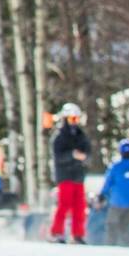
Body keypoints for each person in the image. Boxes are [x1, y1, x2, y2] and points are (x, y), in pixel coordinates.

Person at [49, 103, 92, 244]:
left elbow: (88, 152)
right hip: (65, 175)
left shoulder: (81, 136)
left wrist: (85, 157)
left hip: (78, 175)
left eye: (77, 119)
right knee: (64, 205)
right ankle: (57, 233)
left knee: (80, 207)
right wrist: (72, 155)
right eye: (72, 119)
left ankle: (77, 234)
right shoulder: (59, 137)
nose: (74, 122)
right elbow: (58, 157)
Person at [98, 139, 129, 247]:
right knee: (125, 225)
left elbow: (108, 181)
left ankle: (110, 245)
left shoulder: (116, 166)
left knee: (112, 223)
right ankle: (127, 245)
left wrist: (102, 194)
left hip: (117, 201)